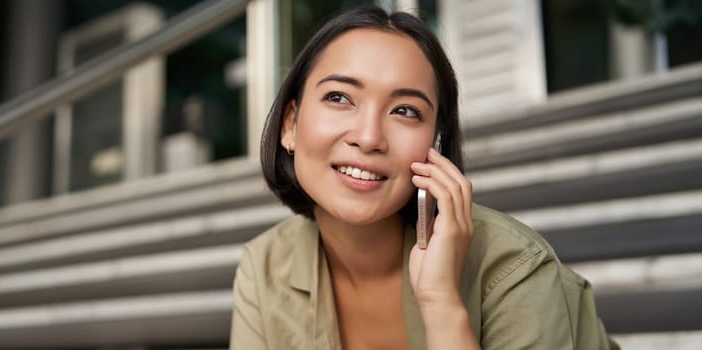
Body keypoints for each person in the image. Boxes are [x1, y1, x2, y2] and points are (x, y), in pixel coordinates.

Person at [230, 5, 618, 349]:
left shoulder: (512, 266)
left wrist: (440, 301)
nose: (368, 138)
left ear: (435, 143)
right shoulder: (265, 267)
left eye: (405, 111)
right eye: (340, 98)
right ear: (291, 125)